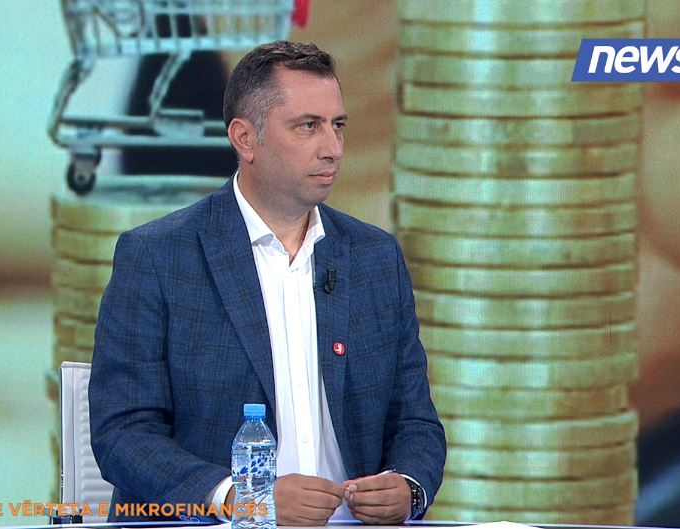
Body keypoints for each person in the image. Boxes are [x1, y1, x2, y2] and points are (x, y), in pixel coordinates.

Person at [89, 40, 446, 526]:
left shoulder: (375, 257)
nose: (333, 148)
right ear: (245, 138)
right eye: (308, 126)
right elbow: (123, 433)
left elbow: (416, 421)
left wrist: (409, 486)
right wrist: (242, 499)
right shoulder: (158, 256)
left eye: (338, 126)